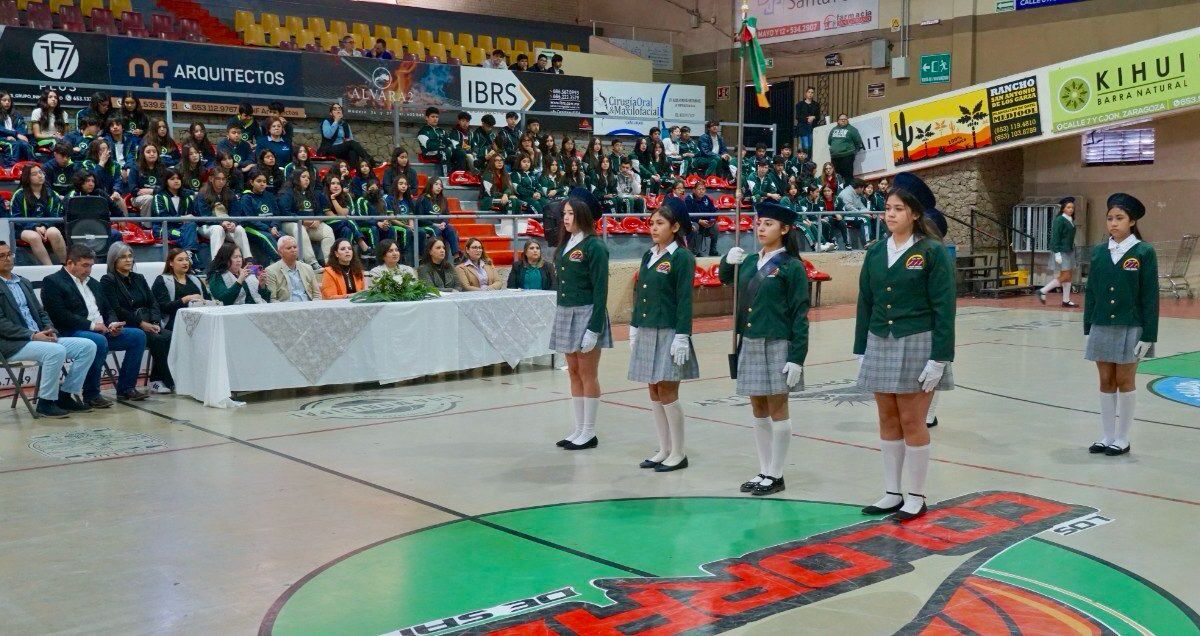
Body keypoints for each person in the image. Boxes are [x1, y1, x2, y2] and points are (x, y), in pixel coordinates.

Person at [854, 176, 955, 522]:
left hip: (918, 341)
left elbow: (944, 307)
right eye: (888, 209)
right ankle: (891, 492)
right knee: (886, 417)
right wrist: (860, 348)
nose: (890, 214)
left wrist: (940, 357)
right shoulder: (875, 252)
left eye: (898, 209)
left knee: (912, 419)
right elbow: (865, 302)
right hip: (880, 339)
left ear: (914, 214)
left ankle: (916, 495)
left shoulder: (931, 251)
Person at [719, 202, 810, 496]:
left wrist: (797, 358)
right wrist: (726, 261)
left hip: (777, 342)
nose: (761, 228)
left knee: (777, 407)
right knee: (758, 407)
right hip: (750, 340)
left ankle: (777, 473)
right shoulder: (748, 262)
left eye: (768, 224)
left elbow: (799, 314)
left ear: (784, 230)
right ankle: (764, 470)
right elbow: (724, 279)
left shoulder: (792, 267)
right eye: (759, 223)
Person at [1084, 193, 1158, 457]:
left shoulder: (1143, 252)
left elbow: (1150, 296)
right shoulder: (1099, 252)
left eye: (1119, 218)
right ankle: (1106, 435)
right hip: (1101, 324)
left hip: (1132, 326)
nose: (1113, 223)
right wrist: (1087, 328)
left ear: (1132, 221)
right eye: (1109, 218)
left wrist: (1149, 334)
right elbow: (1092, 292)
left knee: (1125, 380)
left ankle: (1123, 438)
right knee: (1105, 380)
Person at [629, 200, 698, 471]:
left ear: (676, 226)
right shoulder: (649, 255)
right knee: (654, 390)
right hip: (647, 328)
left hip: (670, 330)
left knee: (668, 391)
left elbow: (684, 300)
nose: (653, 228)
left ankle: (679, 453)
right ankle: (664, 448)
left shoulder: (681, 257)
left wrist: (683, 335)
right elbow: (641, 294)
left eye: (660, 223)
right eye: (651, 223)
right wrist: (634, 327)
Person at [0, 240, 98, 418]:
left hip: (40, 338)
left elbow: (40, 311)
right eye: (2, 256)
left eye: (9, 254)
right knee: (55, 351)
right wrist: (33, 335)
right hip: (12, 344)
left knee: (88, 346)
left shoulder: (23, 282)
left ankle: (65, 395)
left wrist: (49, 328)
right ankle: (45, 402)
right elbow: (1, 324)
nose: (8, 258)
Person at [41, 244, 147, 403]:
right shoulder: (53, 282)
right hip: (72, 332)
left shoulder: (94, 283)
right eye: (84, 265)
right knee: (98, 340)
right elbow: (60, 316)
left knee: (138, 336)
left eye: (91, 266)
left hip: (101, 331)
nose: (88, 270)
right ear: (70, 263)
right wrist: (92, 326)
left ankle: (126, 388)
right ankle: (91, 394)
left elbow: (108, 309)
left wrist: (112, 324)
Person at [551, 189, 611, 451]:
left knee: (588, 373)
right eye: (564, 213)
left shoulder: (595, 246)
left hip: (587, 313)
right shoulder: (566, 244)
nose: (565, 218)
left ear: (582, 215)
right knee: (573, 372)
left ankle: (589, 431)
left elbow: (601, 290)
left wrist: (594, 328)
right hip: (566, 311)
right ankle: (578, 428)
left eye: (571, 213)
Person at [99, 243, 173, 394]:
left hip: (147, 321)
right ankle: (165, 381)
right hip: (127, 324)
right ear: (114, 260)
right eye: (123, 257)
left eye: (130, 256)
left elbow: (153, 302)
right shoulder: (108, 280)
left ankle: (157, 378)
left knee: (170, 336)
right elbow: (116, 309)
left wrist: (154, 322)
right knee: (158, 339)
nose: (128, 260)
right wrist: (141, 324)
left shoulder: (139, 278)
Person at [5, 164, 66, 265]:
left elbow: (56, 215)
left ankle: (65, 265)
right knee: (34, 237)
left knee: (54, 232)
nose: (40, 175)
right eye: (35, 174)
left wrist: (45, 226)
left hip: (47, 226)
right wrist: (34, 227)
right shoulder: (19, 195)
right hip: (23, 229)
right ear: (27, 178)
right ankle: (50, 268)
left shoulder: (52, 194)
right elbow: (15, 218)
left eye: (41, 172)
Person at [278, 169, 335, 267]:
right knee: (299, 228)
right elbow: (285, 213)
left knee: (327, 230)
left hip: (311, 224)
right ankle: (311, 262)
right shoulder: (287, 193)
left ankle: (329, 263)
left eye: (308, 178)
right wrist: (303, 221)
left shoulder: (311, 193)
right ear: (296, 179)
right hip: (290, 223)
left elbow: (319, 212)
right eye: (303, 177)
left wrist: (318, 219)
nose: (307, 180)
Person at [195, 169, 252, 262]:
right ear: (210, 179)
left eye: (223, 179)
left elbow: (236, 213)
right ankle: (216, 263)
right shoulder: (202, 194)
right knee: (218, 229)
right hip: (206, 226)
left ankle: (248, 260)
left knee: (239, 229)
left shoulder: (229, 193)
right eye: (218, 179)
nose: (221, 182)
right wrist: (221, 223)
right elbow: (204, 217)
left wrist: (234, 222)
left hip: (227, 224)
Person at [151, 248, 211, 331]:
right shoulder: (162, 280)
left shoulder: (195, 279)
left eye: (187, 259)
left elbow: (208, 299)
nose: (185, 263)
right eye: (180, 260)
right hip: (174, 321)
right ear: (171, 263)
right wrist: (185, 299)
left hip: (200, 318)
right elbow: (163, 307)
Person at [235, 169, 283, 263]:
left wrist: (274, 226)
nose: (262, 184)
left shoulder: (270, 196)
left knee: (285, 238)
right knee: (267, 237)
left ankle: (293, 260)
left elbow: (277, 214)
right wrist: (268, 229)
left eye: (264, 182)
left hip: (270, 227)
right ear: (251, 182)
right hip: (251, 228)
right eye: (259, 181)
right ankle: (280, 262)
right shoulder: (246, 198)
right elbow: (251, 220)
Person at [1038, 197, 1079, 308]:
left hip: (1069, 250)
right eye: (1068, 207)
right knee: (1065, 275)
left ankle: (1066, 300)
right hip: (1062, 251)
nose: (1071, 209)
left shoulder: (1070, 219)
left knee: (1068, 275)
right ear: (1063, 208)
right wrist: (1056, 253)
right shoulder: (1060, 220)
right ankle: (1043, 290)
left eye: (1072, 207)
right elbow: (1055, 237)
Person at [412, 177, 461, 259]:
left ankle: (456, 256)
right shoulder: (423, 198)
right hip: (427, 225)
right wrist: (434, 224)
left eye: (441, 185)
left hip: (441, 225)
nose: (439, 187)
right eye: (436, 184)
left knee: (451, 230)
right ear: (430, 185)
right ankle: (435, 257)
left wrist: (444, 223)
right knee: (436, 230)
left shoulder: (443, 199)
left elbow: (447, 215)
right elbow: (419, 218)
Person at [265, 235, 321, 302]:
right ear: (280, 252)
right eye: (289, 248)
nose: (293, 250)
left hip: (308, 307)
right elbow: (272, 299)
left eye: (295, 247)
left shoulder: (308, 268)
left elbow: (317, 295)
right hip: (287, 309)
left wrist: (313, 306)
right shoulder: (271, 271)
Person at [319, 104, 376, 168]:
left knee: (353, 151)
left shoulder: (345, 124)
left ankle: (352, 172)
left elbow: (349, 139)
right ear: (331, 113)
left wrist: (348, 141)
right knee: (352, 143)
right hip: (329, 148)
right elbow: (328, 135)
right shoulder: (326, 122)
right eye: (335, 109)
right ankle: (370, 160)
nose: (338, 110)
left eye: (339, 109)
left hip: (342, 149)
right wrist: (336, 121)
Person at [124, 143, 166, 214]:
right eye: (148, 152)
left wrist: (151, 191)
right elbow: (133, 190)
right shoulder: (135, 168)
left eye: (154, 152)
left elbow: (165, 188)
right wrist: (154, 191)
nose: (152, 154)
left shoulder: (162, 168)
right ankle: (147, 224)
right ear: (143, 154)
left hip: (158, 195)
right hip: (138, 198)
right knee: (149, 198)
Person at [828, 113, 864, 185]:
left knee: (848, 177)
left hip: (847, 156)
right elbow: (829, 141)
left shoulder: (852, 130)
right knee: (836, 177)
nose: (843, 121)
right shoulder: (833, 129)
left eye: (845, 119)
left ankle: (848, 191)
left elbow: (858, 141)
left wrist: (853, 151)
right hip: (835, 157)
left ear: (847, 120)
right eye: (841, 119)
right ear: (838, 121)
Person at [0, 91, 36, 162]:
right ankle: (10, 168)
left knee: (25, 144)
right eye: (4, 100)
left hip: (15, 138)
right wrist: (14, 134)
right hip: (2, 138)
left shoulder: (16, 114)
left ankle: (31, 167)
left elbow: (22, 128)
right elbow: (1, 129)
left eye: (9, 100)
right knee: (13, 145)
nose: (7, 102)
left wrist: (16, 136)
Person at [687, 181, 719, 257]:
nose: (701, 191)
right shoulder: (688, 199)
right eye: (699, 189)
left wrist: (711, 220)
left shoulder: (706, 199)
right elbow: (688, 215)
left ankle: (712, 250)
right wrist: (699, 221)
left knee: (715, 227)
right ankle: (694, 251)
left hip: (706, 223)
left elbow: (713, 211)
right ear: (694, 190)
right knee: (696, 226)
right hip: (694, 223)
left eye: (703, 189)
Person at [794, 86, 820, 156]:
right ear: (806, 93)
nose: (810, 94)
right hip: (803, 127)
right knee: (805, 145)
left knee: (811, 145)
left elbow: (818, 117)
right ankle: (805, 160)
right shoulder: (799, 104)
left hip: (812, 127)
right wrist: (807, 119)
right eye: (809, 92)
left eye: (812, 92)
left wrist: (813, 117)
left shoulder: (816, 105)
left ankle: (808, 160)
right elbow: (798, 117)